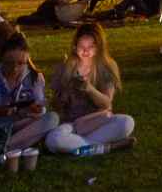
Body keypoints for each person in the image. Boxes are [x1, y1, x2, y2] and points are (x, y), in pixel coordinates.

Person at [43, 23, 136, 155]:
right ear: (75, 47)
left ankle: (80, 145)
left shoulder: (106, 67)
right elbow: (56, 106)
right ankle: (103, 147)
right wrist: (62, 96)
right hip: (73, 126)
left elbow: (106, 104)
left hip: (97, 123)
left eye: (91, 47)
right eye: (82, 47)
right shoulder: (65, 68)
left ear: (99, 48)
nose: (85, 51)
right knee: (53, 140)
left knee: (127, 122)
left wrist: (89, 89)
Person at [0, 32, 58, 158]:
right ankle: (9, 146)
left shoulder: (35, 78)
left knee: (52, 119)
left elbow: (41, 109)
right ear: (2, 59)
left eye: (20, 63)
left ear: (27, 61)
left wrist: (35, 110)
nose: (14, 69)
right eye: (9, 63)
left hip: (21, 126)